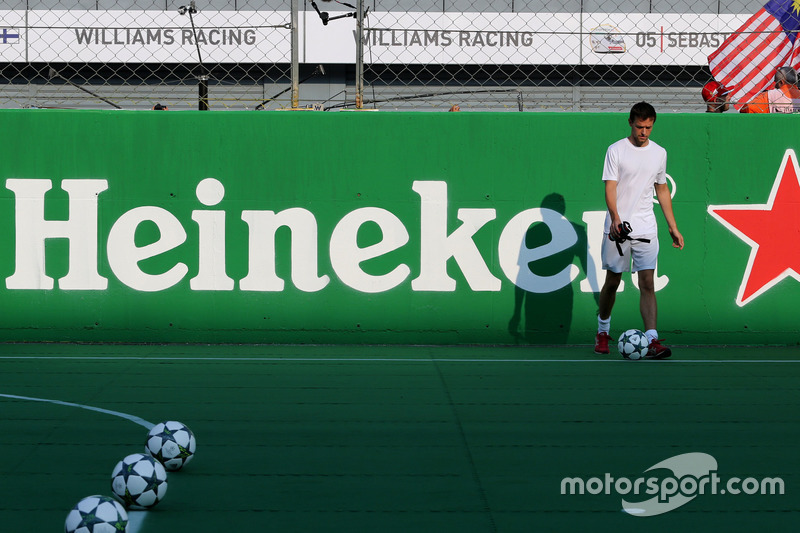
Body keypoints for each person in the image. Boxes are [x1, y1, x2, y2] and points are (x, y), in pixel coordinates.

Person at [594, 102, 684, 359]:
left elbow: (662, 188)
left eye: (648, 127)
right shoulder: (616, 150)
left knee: (647, 283)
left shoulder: (659, 153)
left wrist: (673, 226)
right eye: (639, 127)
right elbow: (610, 187)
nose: (644, 132)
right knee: (612, 282)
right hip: (618, 228)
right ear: (630, 123)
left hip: (646, 227)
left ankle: (653, 339)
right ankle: (602, 331)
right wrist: (615, 218)